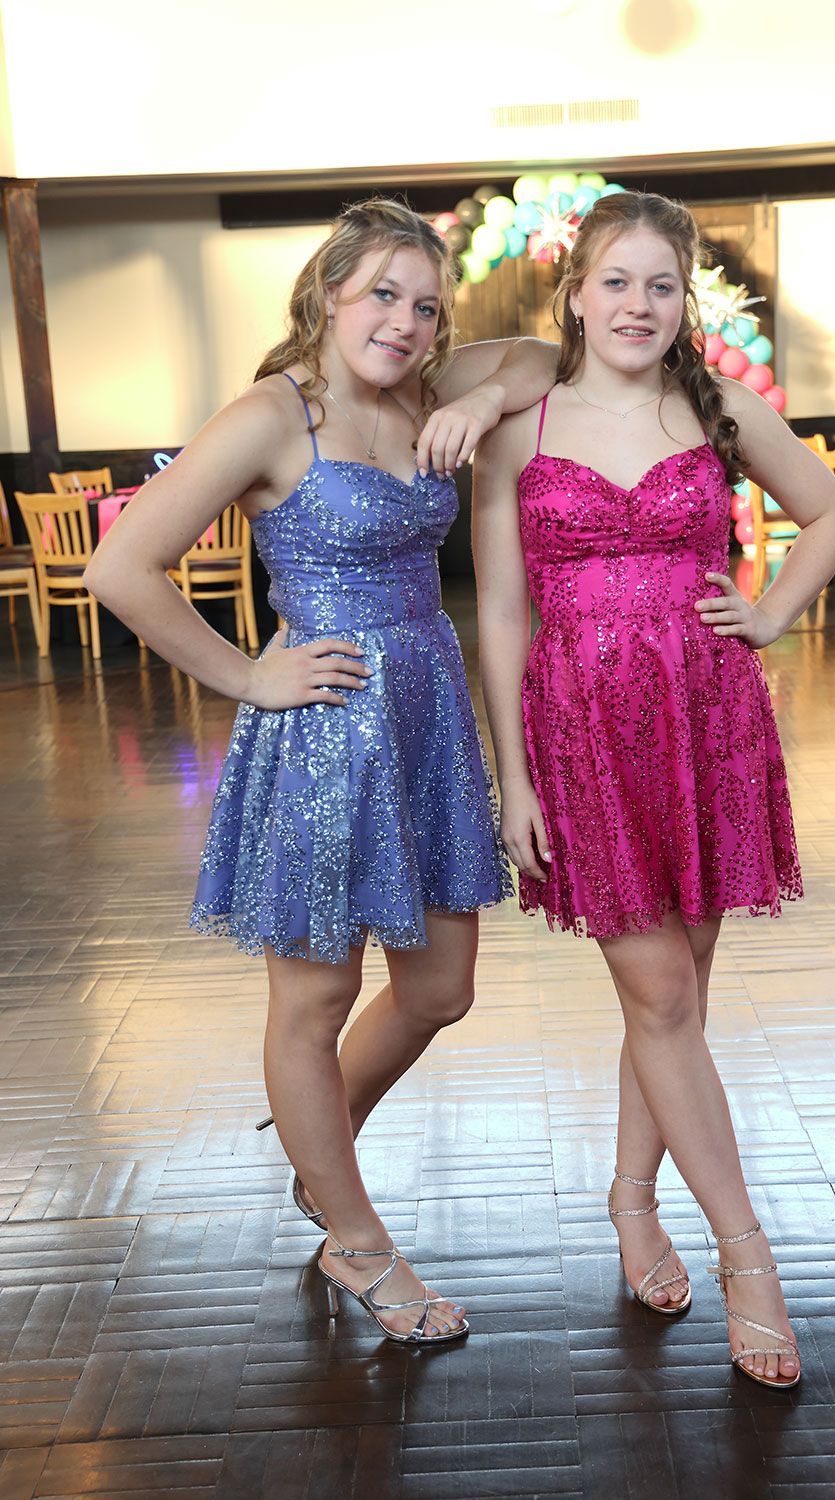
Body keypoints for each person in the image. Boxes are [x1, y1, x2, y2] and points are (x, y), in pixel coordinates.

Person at [85, 198, 557, 1345]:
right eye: (383, 295)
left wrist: (489, 392)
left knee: (441, 987)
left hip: (428, 717)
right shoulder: (270, 415)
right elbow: (121, 565)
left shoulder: (431, 391)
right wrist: (246, 677)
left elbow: (553, 351)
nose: (404, 321)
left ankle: (317, 1148)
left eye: (426, 305)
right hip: (326, 725)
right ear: (328, 291)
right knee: (317, 996)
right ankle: (357, 1241)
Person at [473, 190, 835, 1388]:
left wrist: (769, 614)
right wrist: (513, 777)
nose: (638, 304)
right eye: (616, 282)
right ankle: (749, 1255)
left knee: (675, 993)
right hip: (582, 729)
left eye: (660, 284)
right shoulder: (519, 427)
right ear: (574, 294)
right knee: (661, 997)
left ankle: (633, 1197)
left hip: (704, 718)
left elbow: (832, 512)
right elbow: (497, 611)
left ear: (681, 299)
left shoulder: (716, 408)